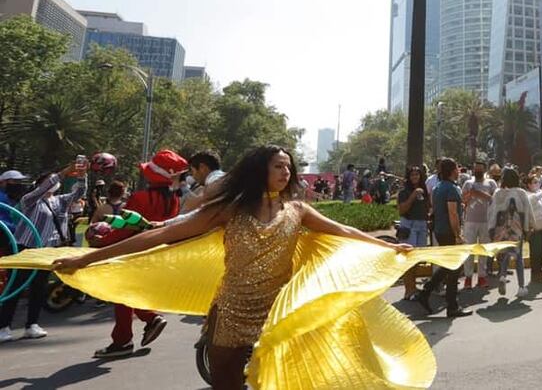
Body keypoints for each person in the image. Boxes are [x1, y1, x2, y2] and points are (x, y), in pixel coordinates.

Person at [50, 144, 414, 389]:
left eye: (289, 167)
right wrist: (86, 258)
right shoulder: (230, 209)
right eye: (278, 166)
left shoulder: (297, 210)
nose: (286, 172)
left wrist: (387, 246)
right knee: (225, 383)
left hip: (279, 313)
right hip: (231, 311)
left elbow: (343, 231)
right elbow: (160, 236)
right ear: (259, 170)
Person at [92, 149, 189, 359]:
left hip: (133, 251)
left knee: (121, 293)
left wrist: (102, 243)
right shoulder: (173, 199)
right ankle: (145, 323)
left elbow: (126, 229)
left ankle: (126, 338)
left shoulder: (140, 197)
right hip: (156, 253)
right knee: (127, 292)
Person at [0, 161, 86, 344]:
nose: (54, 183)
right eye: (50, 181)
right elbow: (44, 187)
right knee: (16, 286)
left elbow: (79, 193)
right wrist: (63, 172)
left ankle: (32, 324)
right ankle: (4, 326)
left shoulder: (59, 201)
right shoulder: (30, 200)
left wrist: (81, 176)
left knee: (39, 288)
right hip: (26, 248)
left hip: (47, 251)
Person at [415, 158, 471, 318]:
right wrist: (457, 234)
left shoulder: (438, 187)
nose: (459, 171)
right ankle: (451, 306)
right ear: (453, 171)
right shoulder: (452, 189)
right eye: (457, 168)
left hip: (439, 230)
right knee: (454, 268)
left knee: (449, 266)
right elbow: (452, 213)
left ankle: (427, 293)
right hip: (448, 231)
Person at [488, 167, 534, 298]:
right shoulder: (521, 193)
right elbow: (528, 210)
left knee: (505, 254)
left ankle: (502, 276)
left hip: (501, 229)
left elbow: (491, 212)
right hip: (516, 229)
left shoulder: (498, 193)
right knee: (518, 257)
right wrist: (529, 227)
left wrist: (491, 229)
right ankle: (521, 287)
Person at [461, 160, 496, 289]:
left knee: (483, 250)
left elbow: (495, 200)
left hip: (486, 221)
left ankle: (482, 276)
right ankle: (468, 277)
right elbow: (463, 201)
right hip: (470, 221)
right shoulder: (468, 183)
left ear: (484, 170)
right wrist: (470, 194)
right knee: (469, 250)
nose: (478, 171)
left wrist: (481, 194)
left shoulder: (491, 183)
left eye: (480, 169)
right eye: (476, 169)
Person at [397, 166, 430, 300]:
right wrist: (413, 195)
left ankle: (414, 287)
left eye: (417, 175)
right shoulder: (404, 192)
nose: (415, 177)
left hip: (422, 226)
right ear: (408, 177)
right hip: (409, 226)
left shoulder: (425, 191)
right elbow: (402, 210)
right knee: (409, 259)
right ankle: (408, 290)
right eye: (412, 175)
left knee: (417, 259)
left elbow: (427, 207)